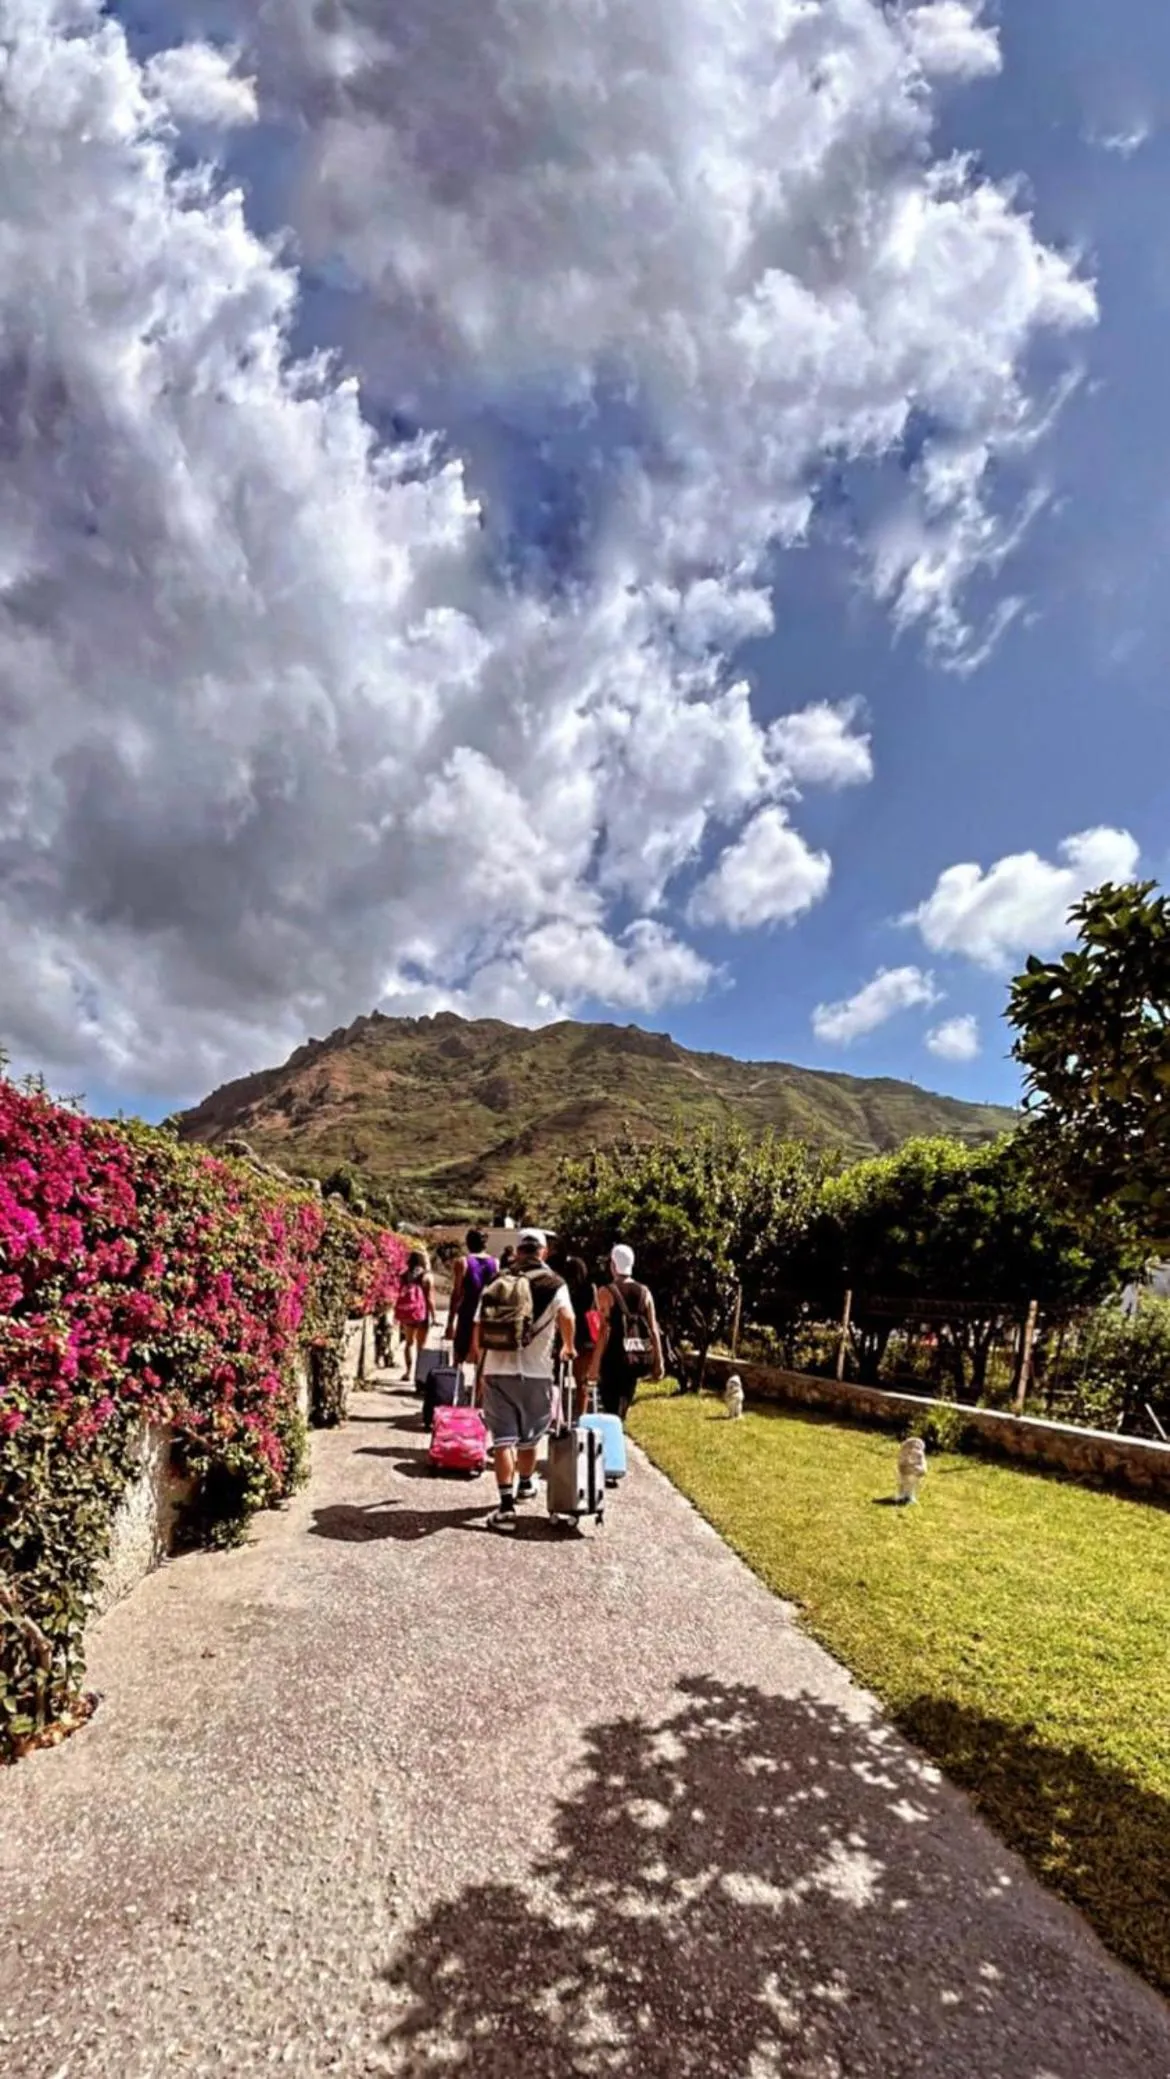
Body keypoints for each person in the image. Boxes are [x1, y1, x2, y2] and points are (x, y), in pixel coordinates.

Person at [473, 1229, 575, 1533]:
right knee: (530, 1437)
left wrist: (480, 1369)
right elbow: (567, 1316)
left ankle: (505, 1509)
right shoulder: (555, 1283)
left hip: (497, 1369)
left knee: (503, 1439)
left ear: (518, 1251)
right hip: (537, 1372)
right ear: (543, 1252)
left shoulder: (497, 1281)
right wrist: (568, 1346)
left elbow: (479, 1326)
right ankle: (526, 1484)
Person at [591, 1243, 664, 1421]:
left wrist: (594, 1364)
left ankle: (614, 1439)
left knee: (610, 1407)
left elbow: (603, 1331)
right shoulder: (645, 1292)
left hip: (612, 1358)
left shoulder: (606, 1292)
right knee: (624, 1402)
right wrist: (659, 1362)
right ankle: (619, 1429)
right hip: (635, 1357)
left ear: (613, 1265)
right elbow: (654, 1329)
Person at [445, 1227, 499, 1366]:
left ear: (468, 1243)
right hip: (487, 1314)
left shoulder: (462, 1262)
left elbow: (456, 1294)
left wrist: (450, 1322)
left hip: (467, 1313)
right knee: (482, 1357)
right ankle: (478, 1387)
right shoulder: (496, 1263)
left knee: (458, 1356)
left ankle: (455, 1385)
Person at [563, 1254, 601, 1424]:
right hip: (588, 1336)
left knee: (568, 1377)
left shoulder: (566, 1289)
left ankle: (568, 1412)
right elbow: (596, 1309)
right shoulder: (590, 1288)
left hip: (571, 1335)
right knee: (583, 1382)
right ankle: (582, 1413)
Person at [394, 1249, 436, 1384]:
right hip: (422, 1315)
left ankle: (408, 1372)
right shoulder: (426, 1277)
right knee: (421, 1346)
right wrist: (434, 1317)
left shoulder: (404, 1275)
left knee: (408, 1343)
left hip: (408, 1314)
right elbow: (429, 1299)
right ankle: (419, 1375)